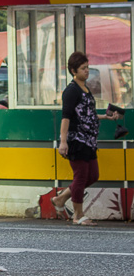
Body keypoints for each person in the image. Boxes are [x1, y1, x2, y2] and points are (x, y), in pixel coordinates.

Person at [51, 52, 121, 226]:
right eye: (83, 68)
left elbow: (87, 115)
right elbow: (66, 117)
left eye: (87, 67)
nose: (87, 71)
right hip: (76, 141)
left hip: (89, 141)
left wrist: (106, 117)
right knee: (81, 177)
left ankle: (60, 199)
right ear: (74, 71)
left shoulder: (86, 89)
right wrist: (64, 141)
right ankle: (78, 215)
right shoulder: (71, 91)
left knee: (93, 175)